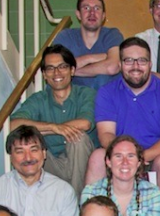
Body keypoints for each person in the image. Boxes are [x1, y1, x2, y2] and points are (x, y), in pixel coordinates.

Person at [86, 37, 160, 203]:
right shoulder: (107, 92)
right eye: (129, 60)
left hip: (156, 156)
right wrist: (125, 157)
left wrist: (140, 157)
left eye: (142, 61)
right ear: (121, 64)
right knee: (98, 157)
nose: (135, 66)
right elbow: (106, 134)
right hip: (120, 154)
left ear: (150, 64)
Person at [10, 44, 96, 194]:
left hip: (82, 163)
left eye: (62, 66)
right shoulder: (39, 99)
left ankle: (77, 205)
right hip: (50, 162)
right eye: (50, 68)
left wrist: (44, 130)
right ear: (44, 74)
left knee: (78, 138)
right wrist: (54, 127)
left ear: (72, 70)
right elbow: (14, 125)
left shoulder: (86, 94)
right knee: (25, 144)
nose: (56, 72)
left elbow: (85, 123)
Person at [53, 0, 122, 91]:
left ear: (103, 16)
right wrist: (91, 58)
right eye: (86, 8)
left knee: (103, 79)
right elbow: (57, 68)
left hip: (105, 101)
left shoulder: (112, 35)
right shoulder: (65, 36)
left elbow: (112, 67)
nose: (92, 13)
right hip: (74, 100)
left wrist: (72, 70)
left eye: (97, 8)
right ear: (78, 14)